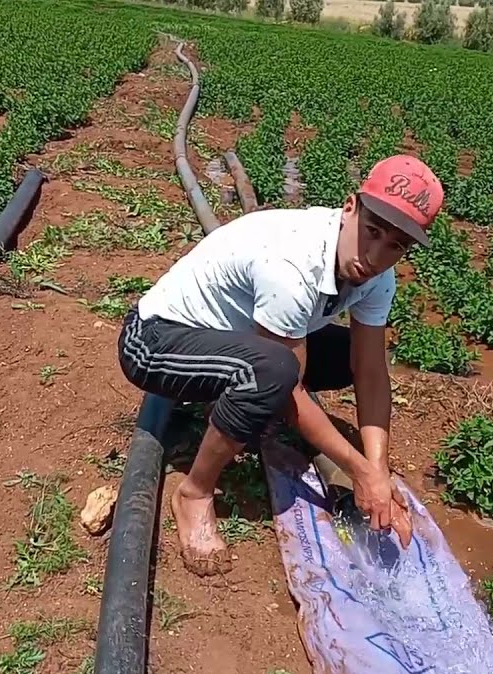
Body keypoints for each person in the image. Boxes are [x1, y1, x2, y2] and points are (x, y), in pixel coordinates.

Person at [117, 154, 444, 576]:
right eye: (373, 231)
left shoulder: (378, 276)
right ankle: (195, 493)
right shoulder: (293, 262)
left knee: (344, 355)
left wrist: (377, 468)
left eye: (395, 246)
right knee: (274, 373)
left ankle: (238, 405)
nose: (375, 256)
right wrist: (358, 470)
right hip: (155, 341)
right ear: (350, 207)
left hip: (232, 342)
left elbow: (370, 370)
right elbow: (289, 387)